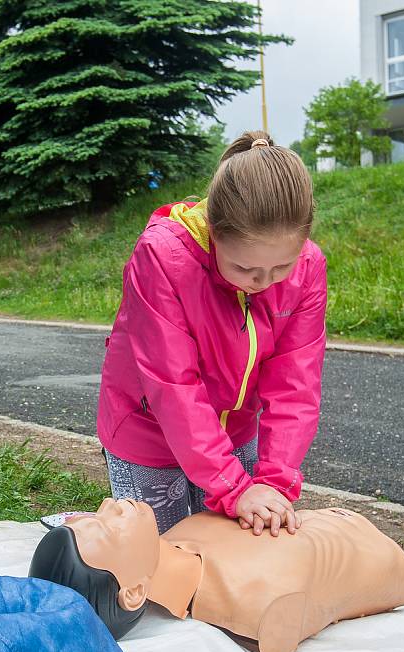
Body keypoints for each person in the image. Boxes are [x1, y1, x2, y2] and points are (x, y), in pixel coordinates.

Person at [97, 130, 327, 536]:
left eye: (281, 268)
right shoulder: (162, 257)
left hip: (236, 432)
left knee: (238, 560)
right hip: (148, 436)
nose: (263, 283)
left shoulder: (308, 267)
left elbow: (295, 385)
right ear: (213, 232)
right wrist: (232, 487)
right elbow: (173, 384)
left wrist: (272, 482)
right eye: (244, 268)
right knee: (160, 561)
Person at [29, 499, 404, 652]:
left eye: (93, 514)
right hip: (379, 551)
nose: (110, 505)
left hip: (333, 520)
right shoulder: (260, 604)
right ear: (133, 594)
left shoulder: (178, 535)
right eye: (108, 529)